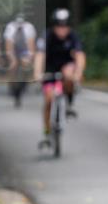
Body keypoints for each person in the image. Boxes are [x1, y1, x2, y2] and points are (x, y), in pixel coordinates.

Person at [34, 9, 85, 146]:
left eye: (65, 26)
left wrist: (78, 72)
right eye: (59, 26)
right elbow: (40, 55)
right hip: (50, 69)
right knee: (49, 99)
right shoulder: (47, 36)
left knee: (69, 74)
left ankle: (69, 103)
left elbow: (80, 55)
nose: (62, 30)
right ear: (54, 26)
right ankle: (46, 132)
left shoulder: (73, 36)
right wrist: (37, 73)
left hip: (66, 67)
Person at [3, 13, 37, 104]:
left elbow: (31, 43)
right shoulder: (10, 27)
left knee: (26, 65)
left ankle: (24, 82)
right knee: (13, 66)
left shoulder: (29, 27)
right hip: (13, 49)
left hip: (25, 49)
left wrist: (30, 56)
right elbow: (8, 43)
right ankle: (11, 85)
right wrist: (10, 56)